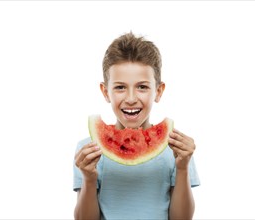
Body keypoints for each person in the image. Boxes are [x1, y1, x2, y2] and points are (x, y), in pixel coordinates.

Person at [73, 32, 200, 220]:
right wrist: (89, 178)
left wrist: (182, 167)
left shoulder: (176, 148)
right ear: (105, 92)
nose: (131, 99)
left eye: (142, 87)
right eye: (120, 87)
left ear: (158, 91)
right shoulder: (90, 150)